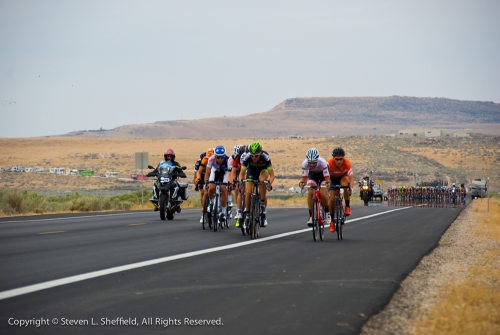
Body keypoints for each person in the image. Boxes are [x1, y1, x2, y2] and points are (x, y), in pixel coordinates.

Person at [239, 142, 274, 228]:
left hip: (263, 170)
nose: (254, 158)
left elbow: (272, 175)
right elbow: (242, 173)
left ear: (261, 153)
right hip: (252, 170)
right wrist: (241, 182)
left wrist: (269, 183)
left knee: (262, 181)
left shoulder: (265, 157)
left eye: (256, 156)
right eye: (252, 156)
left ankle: (262, 209)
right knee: (248, 192)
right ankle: (247, 215)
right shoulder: (247, 157)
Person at [299, 148, 331, 227]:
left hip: (323, 175)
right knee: (310, 192)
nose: (312, 164)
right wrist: (302, 183)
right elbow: (304, 178)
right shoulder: (305, 163)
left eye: (314, 163)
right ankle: (311, 216)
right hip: (313, 175)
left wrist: (327, 184)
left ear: (317, 159)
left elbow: (327, 178)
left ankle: (328, 214)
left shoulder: (323, 162)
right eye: (310, 163)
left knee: (323, 194)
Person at [327, 147, 354, 232]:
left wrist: (351, 188)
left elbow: (351, 177)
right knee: (331, 199)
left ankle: (347, 206)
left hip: (343, 177)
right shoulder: (329, 163)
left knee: (346, 185)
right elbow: (326, 177)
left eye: (341, 159)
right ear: (333, 158)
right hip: (332, 179)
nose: (339, 161)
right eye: (337, 159)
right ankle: (332, 221)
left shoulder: (347, 163)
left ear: (344, 158)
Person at [204, 145, 230, 223]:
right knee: (211, 187)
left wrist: (229, 183)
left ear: (224, 156)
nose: (220, 159)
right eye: (218, 157)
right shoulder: (211, 159)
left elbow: (230, 173)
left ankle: (223, 212)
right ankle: (211, 203)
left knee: (223, 189)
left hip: (224, 172)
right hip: (215, 171)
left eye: (222, 157)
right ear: (215, 156)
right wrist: (206, 182)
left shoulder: (228, 160)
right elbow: (208, 172)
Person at [195, 148, 214, 223]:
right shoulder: (203, 160)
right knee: (204, 192)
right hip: (204, 176)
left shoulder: (216, 161)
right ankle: (204, 212)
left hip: (213, 175)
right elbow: (198, 172)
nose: (210, 160)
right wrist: (198, 179)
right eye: (208, 158)